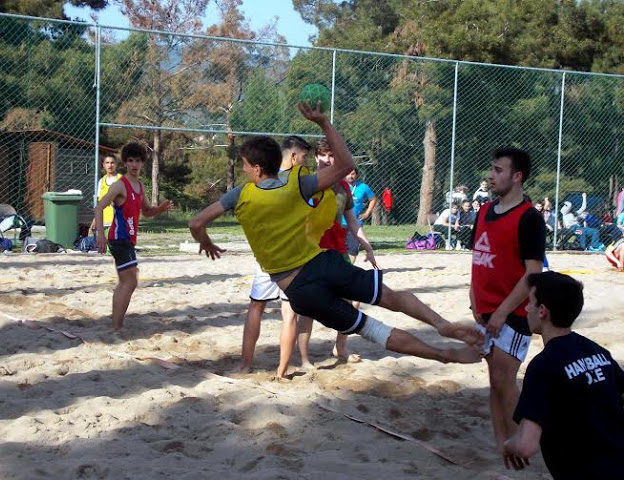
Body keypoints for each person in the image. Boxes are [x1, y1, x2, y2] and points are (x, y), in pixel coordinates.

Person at [189, 101, 482, 367]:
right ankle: (441, 324)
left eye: (243, 165)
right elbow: (346, 166)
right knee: (389, 296)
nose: (243, 170)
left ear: (255, 168)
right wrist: (324, 124)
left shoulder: (240, 195)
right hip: (324, 263)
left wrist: (207, 243)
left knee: (372, 329)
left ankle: (444, 355)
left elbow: (195, 223)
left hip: (299, 287)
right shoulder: (298, 184)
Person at [503, 271, 624, 479]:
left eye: (529, 302)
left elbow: (525, 446)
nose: (525, 308)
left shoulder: (543, 366)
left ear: (542, 311)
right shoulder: (596, 351)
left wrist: (508, 444)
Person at [470, 147, 546, 450]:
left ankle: (524, 444)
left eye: (498, 170)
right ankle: (503, 442)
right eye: (492, 168)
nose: (491, 175)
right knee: (494, 380)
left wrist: (502, 311)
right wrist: (474, 298)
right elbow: (478, 257)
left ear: (517, 177)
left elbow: (532, 273)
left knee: (505, 379)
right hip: (484, 309)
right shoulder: (483, 212)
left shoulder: (529, 218)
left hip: (512, 313)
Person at [298, 138, 379, 368]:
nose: (328, 160)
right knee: (308, 306)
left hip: (338, 250)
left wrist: (368, 248)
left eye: (333, 156)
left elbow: (353, 221)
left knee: (353, 300)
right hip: (310, 252)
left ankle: (340, 347)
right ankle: (304, 359)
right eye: (324, 155)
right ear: (316, 157)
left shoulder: (344, 187)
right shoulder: (306, 183)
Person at [240, 136, 313, 377]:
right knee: (288, 313)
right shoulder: (298, 182)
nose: (305, 161)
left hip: (268, 257)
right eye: (303, 157)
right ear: (293, 157)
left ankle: (246, 365)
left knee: (256, 308)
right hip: (291, 258)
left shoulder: (258, 185)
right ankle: (281, 371)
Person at [94, 142, 173, 330]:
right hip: (118, 238)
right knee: (130, 282)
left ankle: (115, 324)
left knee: (125, 282)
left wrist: (160, 209)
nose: (134, 164)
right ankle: (116, 326)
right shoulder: (120, 185)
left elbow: (146, 211)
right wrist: (100, 235)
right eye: (130, 161)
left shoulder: (139, 186)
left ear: (142, 163)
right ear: (126, 163)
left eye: (138, 161)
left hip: (127, 239)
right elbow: (99, 207)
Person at [342, 167, 377, 262]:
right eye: (348, 174)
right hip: (340, 222)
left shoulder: (363, 187)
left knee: (352, 249)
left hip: (355, 223)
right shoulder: (339, 186)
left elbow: (373, 199)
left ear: (356, 175)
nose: (350, 176)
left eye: (353, 174)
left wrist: (367, 213)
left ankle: (348, 270)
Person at [90, 154, 122, 234]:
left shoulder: (122, 180)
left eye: (112, 163)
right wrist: (95, 219)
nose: (110, 165)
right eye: (107, 163)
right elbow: (99, 203)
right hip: (104, 222)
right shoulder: (101, 181)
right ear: (103, 165)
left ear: (116, 164)